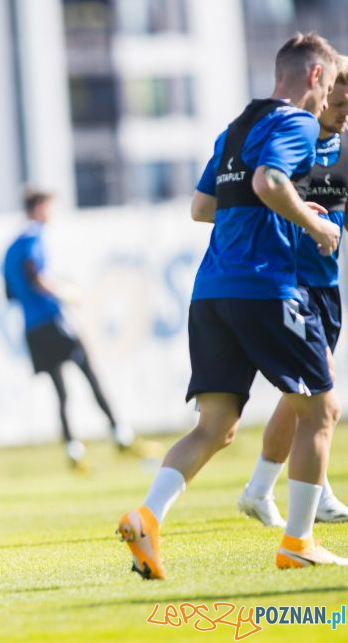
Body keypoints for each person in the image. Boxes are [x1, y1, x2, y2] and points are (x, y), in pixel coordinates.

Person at [118, 32, 345, 581]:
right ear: (316, 76)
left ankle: (146, 516)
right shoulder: (298, 123)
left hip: (212, 290)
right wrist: (313, 222)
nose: (332, 97)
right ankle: (297, 541)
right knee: (320, 410)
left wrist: (267, 208)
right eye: (333, 84)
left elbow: (201, 208)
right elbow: (270, 180)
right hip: (266, 288)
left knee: (216, 426)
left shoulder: (237, 127)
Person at [236, 56, 348, 527]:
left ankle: (261, 489)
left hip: (326, 283)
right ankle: (309, 494)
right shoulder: (294, 140)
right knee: (315, 390)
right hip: (289, 281)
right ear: (319, 94)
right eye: (338, 103)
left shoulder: (341, 144)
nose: (343, 112)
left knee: (302, 391)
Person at [3, 189, 133, 468]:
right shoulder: (31, 237)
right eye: (49, 207)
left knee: (60, 390)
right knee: (89, 373)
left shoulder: (10, 245)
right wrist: (62, 291)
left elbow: (10, 292)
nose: (51, 214)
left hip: (32, 327)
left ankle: (73, 451)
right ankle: (121, 435)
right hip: (52, 321)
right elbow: (35, 274)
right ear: (38, 207)